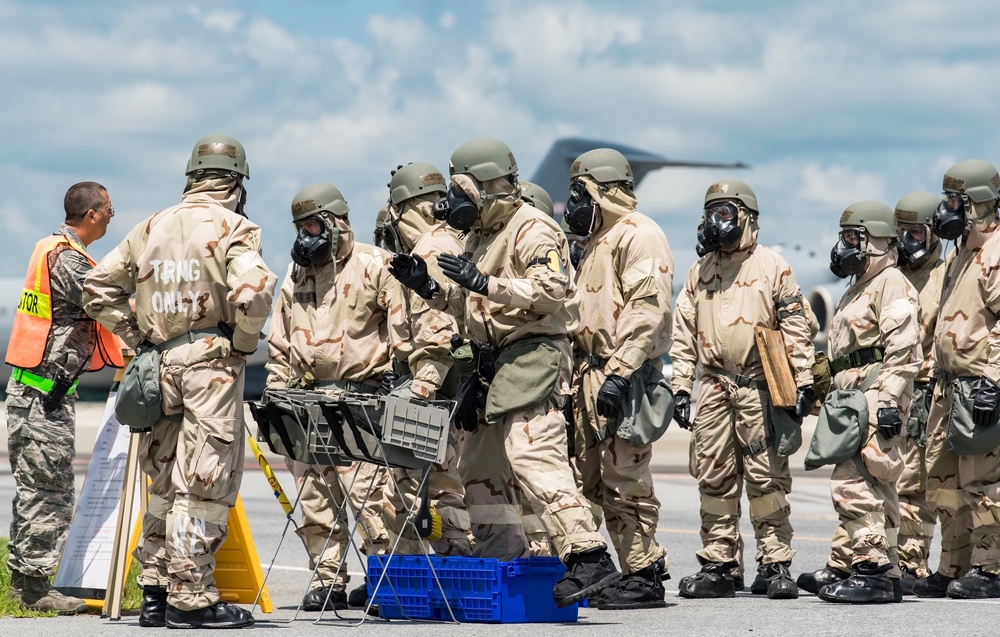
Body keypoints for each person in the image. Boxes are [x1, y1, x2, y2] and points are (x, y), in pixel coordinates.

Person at [387, 137, 621, 607]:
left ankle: (589, 556)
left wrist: (485, 282)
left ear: (484, 185)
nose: (450, 203)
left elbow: (553, 290)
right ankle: (499, 559)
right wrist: (430, 287)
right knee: (479, 467)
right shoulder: (479, 237)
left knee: (532, 453)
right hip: (492, 361)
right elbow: (468, 306)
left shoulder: (532, 228)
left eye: (460, 189)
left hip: (533, 354)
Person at [83, 134, 275, 629]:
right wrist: (244, 343)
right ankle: (192, 598)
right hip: (210, 364)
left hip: (157, 364)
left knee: (164, 479)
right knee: (204, 480)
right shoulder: (236, 226)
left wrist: (137, 333)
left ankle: (155, 591)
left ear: (192, 176)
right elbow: (255, 292)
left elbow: (96, 289)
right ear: (235, 182)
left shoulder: (151, 225)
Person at [670, 179, 814, 600]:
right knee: (713, 477)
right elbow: (683, 333)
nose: (716, 222)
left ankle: (775, 563)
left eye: (726, 213)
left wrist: (803, 382)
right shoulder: (701, 271)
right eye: (710, 212)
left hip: (759, 387)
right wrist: (681, 387)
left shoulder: (774, 267)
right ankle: (720, 565)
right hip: (713, 387)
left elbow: (797, 330)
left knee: (766, 477)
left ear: (747, 217)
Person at [265, 182, 401, 612]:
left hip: (362, 400)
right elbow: (281, 340)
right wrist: (276, 395)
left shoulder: (377, 265)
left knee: (369, 496)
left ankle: (384, 578)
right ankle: (328, 580)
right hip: (306, 403)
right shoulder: (297, 273)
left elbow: (402, 333)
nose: (306, 235)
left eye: (312, 224)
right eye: (299, 227)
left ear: (335, 221)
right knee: (314, 496)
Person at [4, 181, 123, 613]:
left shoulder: (48, 247)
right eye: (110, 209)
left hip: (39, 393)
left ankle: (25, 582)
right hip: (43, 398)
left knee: (38, 488)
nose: (113, 215)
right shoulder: (69, 259)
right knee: (47, 491)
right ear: (91, 214)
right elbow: (107, 299)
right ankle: (34, 590)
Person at [566, 148, 673, 609]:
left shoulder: (639, 234)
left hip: (622, 375)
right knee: (592, 479)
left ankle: (645, 574)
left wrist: (620, 372)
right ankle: (624, 569)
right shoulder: (598, 241)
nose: (571, 205)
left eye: (578, 193)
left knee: (625, 475)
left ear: (602, 191)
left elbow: (647, 309)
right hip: (591, 373)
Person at [805, 200, 920, 604]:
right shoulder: (862, 284)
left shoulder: (890, 282)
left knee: (853, 481)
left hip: (875, 396)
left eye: (854, 238)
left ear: (876, 240)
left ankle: (869, 570)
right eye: (844, 238)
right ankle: (886, 570)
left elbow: (904, 348)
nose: (845, 247)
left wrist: (888, 400)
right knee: (877, 482)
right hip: (859, 395)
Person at [374, 162, 474, 559]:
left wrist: (420, 391)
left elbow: (436, 331)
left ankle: (451, 567)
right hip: (458, 382)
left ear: (402, 208)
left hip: (433, 386)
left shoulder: (429, 248)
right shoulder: (459, 240)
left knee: (421, 488)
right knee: (449, 483)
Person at [918, 160, 1000, 599]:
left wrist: (994, 380)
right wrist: (933, 378)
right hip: (949, 386)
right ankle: (954, 565)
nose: (945, 211)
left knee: (983, 481)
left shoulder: (996, 251)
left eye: (954, 202)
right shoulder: (959, 254)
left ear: (979, 205)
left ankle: (991, 569)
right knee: (944, 482)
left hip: (978, 385)